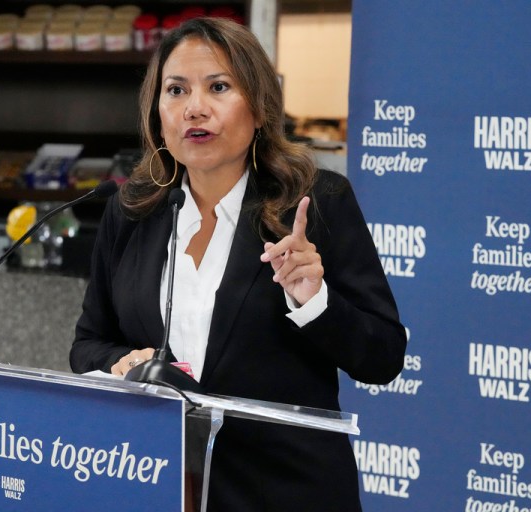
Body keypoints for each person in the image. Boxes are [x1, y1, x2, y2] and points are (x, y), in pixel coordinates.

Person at [71, 17, 407, 512]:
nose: (195, 109)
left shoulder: (316, 203)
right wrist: (118, 365)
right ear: (157, 112)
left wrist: (315, 300)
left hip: (282, 493)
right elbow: (88, 343)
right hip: (157, 485)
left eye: (219, 87)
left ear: (259, 108)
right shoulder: (134, 209)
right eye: (176, 90)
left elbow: (384, 357)